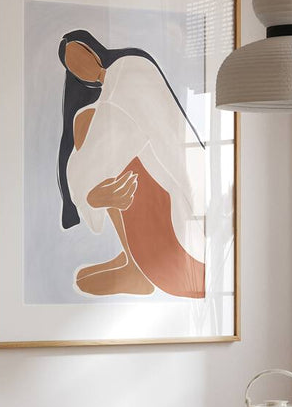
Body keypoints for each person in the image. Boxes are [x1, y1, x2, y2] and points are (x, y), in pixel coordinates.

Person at [58, 30, 206, 298]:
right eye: (72, 66)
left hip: (185, 252)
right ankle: (132, 259)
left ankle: (136, 267)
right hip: (182, 257)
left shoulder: (129, 72)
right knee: (86, 124)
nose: (80, 68)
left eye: (79, 55)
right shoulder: (112, 92)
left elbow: (103, 150)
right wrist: (91, 194)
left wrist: (90, 193)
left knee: (86, 123)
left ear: (93, 49)